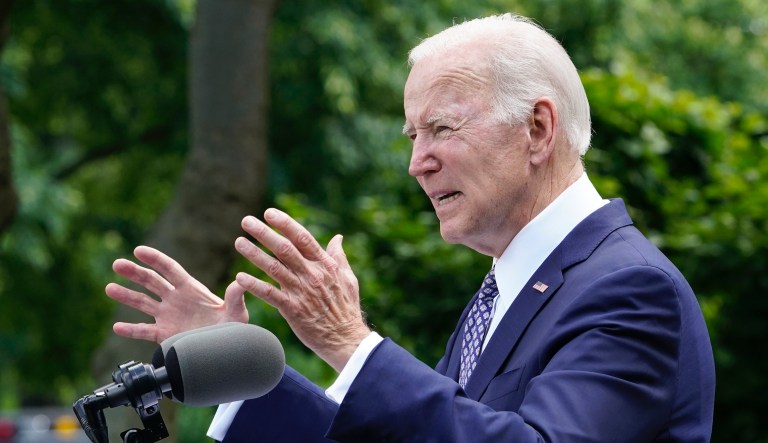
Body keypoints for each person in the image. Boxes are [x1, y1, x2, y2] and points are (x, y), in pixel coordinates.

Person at [106, 13, 715, 442]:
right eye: (413, 135)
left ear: (537, 130)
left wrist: (349, 341)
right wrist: (238, 371)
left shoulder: (631, 289)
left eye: (442, 129)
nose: (416, 161)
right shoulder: (508, 290)